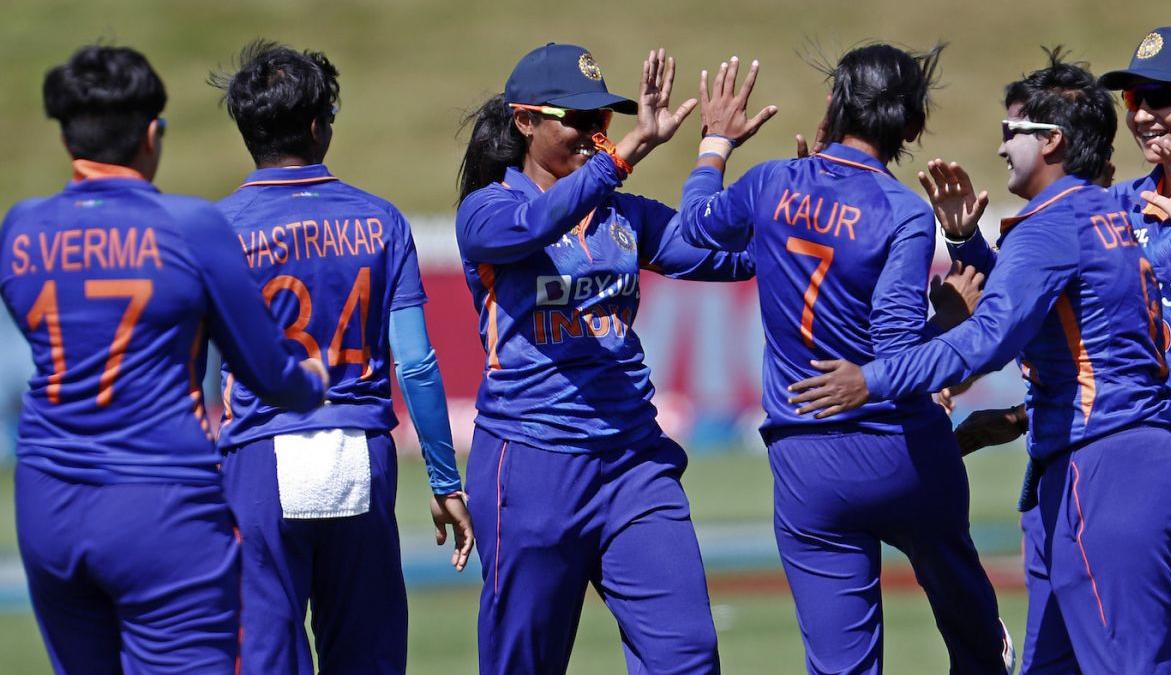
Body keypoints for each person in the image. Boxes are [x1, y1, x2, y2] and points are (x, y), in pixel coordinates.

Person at [790, 50, 1171, 673]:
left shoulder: (1050, 225)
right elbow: (1054, 316)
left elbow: (987, 340)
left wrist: (869, 379)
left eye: (1014, 133)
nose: (1002, 148)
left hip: (1102, 463)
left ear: (1052, 141)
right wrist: (968, 245)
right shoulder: (1107, 213)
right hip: (1124, 456)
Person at [675, 44, 1012, 674]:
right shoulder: (904, 212)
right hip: (904, 455)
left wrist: (715, 143)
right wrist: (946, 315)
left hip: (808, 465)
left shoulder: (771, 182)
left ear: (832, 106)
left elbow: (696, 226)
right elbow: (896, 353)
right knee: (975, 639)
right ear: (911, 128)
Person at [0, 45, 329, 674]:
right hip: (160, 503)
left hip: (46, 501)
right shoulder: (190, 226)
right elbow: (268, 371)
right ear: (153, 135)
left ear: (68, 139)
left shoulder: (20, 227)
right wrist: (309, 381)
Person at [455, 43, 753, 674]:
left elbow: (726, 253)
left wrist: (728, 164)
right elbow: (530, 229)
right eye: (577, 118)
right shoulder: (487, 210)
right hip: (530, 463)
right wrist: (621, 157)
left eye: (605, 118)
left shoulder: (622, 214)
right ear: (525, 121)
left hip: (632, 463)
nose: (595, 132)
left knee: (687, 654)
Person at [209, 41, 472, 675]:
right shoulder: (380, 221)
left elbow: (194, 367)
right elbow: (416, 364)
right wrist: (445, 481)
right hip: (361, 451)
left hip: (259, 454)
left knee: (264, 657)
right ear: (316, 124)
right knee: (368, 656)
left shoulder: (217, 228)